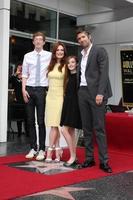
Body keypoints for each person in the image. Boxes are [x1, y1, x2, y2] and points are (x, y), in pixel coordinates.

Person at [76, 28, 113, 173]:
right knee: (86, 129)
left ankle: (104, 161)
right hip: (83, 92)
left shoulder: (99, 50)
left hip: (97, 94)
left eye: (83, 37)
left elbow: (104, 73)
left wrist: (100, 93)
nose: (81, 40)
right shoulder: (81, 55)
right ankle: (89, 158)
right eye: (79, 39)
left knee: (99, 128)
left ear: (89, 37)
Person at [22, 32, 51, 160]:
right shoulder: (27, 56)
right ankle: (33, 148)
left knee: (40, 121)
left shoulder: (49, 56)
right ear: (33, 42)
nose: (38, 41)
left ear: (44, 42)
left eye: (40, 40)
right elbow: (24, 74)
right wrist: (23, 90)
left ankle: (42, 149)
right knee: (30, 121)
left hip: (41, 90)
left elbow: (52, 72)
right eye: (36, 39)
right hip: (29, 89)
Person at [45, 41, 67, 162]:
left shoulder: (66, 66)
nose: (59, 52)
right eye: (57, 50)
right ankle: (58, 149)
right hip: (50, 96)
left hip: (60, 96)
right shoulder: (50, 65)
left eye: (62, 50)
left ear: (64, 53)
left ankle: (50, 152)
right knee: (54, 125)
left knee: (56, 125)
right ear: (54, 52)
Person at [60, 56, 82, 168]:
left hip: (75, 105)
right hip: (67, 104)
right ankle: (75, 156)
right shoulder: (67, 76)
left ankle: (72, 156)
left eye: (73, 62)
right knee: (71, 131)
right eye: (68, 63)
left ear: (77, 64)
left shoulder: (80, 76)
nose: (70, 64)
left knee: (64, 129)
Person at [9, 62, 28, 137]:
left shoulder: (26, 77)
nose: (20, 69)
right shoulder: (15, 78)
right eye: (19, 68)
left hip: (25, 100)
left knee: (27, 118)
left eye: (22, 68)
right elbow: (9, 81)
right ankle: (19, 133)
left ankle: (28, 134)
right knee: (19, 118)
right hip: (17, 100)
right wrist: (15, 73)